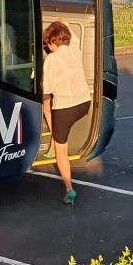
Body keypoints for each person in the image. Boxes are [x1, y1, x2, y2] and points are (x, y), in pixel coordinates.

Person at [41, 20, 90, 205]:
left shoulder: (51, 59)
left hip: (66, 107)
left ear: (53, 42)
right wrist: (64, 23)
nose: (47, 46)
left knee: (62, 150)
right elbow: (74, 37)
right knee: (54, 113)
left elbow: (48, 87)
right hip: (84, 103)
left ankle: (69, 189)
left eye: (47, 43)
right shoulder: (74, 50)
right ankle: (55, 140)